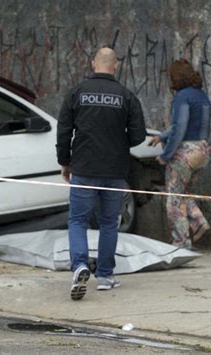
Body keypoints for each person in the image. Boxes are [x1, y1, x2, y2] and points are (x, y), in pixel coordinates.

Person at [57, 47, 146, 301]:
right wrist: (118, 143)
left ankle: (80, 266)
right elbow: (138, 135)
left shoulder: (76, 93)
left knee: (78, 221)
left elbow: (64, 131)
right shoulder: (126, 96)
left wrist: (65, 162)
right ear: (115, 66)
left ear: (93, 63)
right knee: (109, 222)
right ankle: (105, 276)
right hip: (115, 170)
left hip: (84, 169)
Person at [149, 59, 211, 249]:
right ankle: (199, 222)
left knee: (174, 199)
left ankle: (181, 243)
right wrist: (161, 136)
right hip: (203, 151)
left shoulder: (181, 97)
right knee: (183, 193)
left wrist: (166, 155)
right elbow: (189, 125)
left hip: (185, 152)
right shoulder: (202, 96)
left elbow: (180, 128)